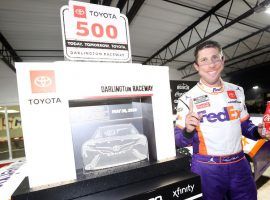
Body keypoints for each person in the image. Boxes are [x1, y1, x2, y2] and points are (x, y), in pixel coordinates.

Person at [174, 40, 270, 200]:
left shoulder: (237, 91)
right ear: (196, 66)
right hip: (207, 168)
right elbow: (178, 140)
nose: (211, 65)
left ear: (223, 60)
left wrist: (259, 131)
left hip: (240, 165)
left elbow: (246, 127)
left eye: (215, 58)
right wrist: (188, 131)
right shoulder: (186, 98)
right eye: (204, 60)